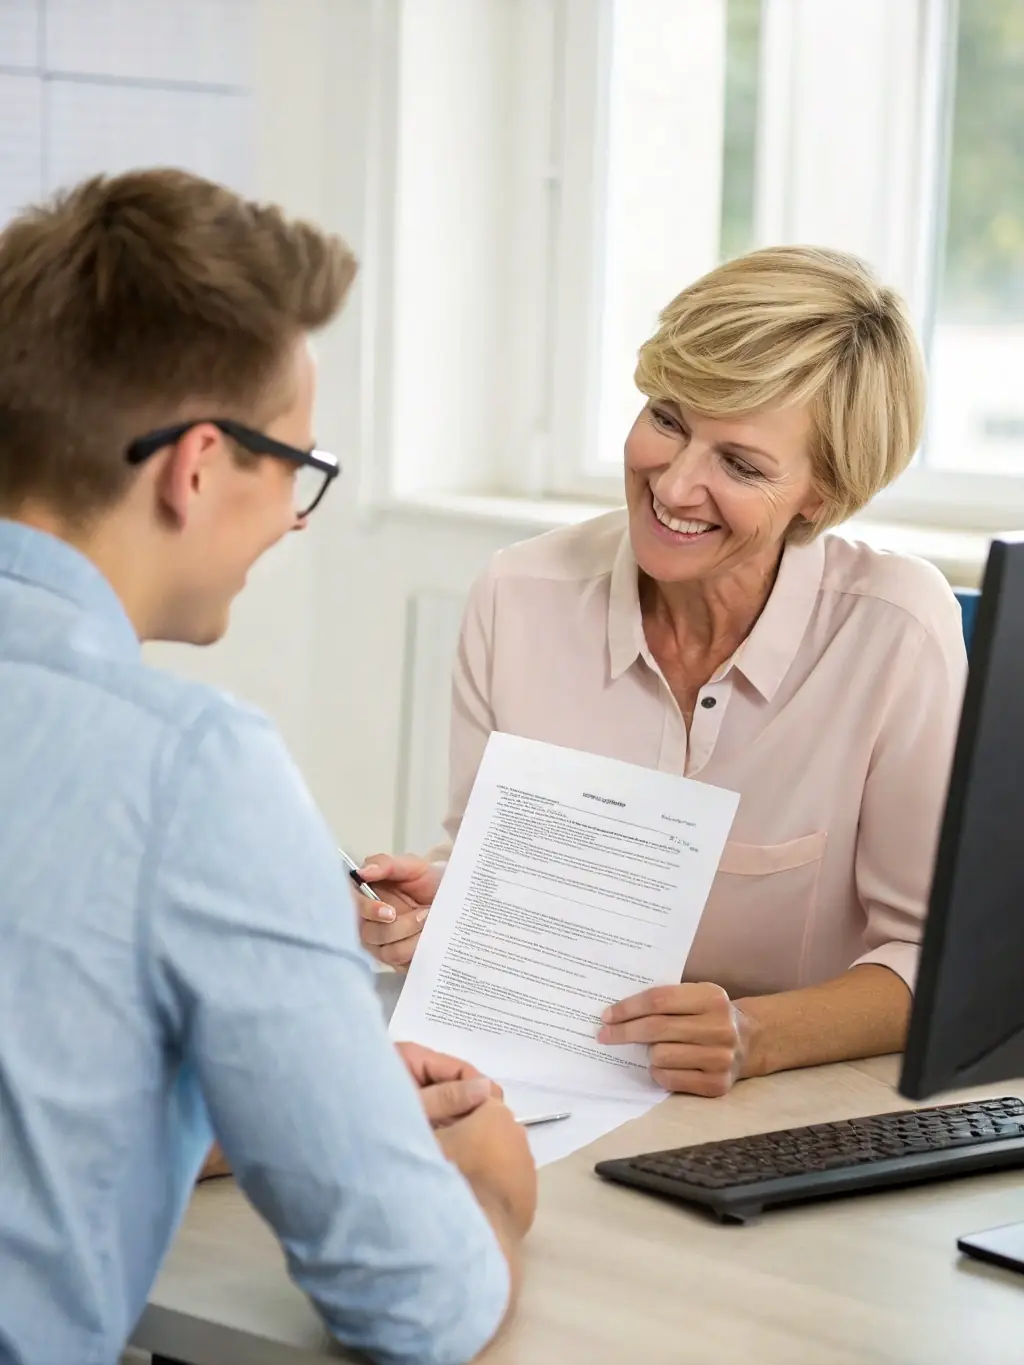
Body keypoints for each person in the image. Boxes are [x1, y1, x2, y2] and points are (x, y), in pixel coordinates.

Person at [0, 169, 535, 1365]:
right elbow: (417, 1305)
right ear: (197, 467)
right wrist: (487, 1185)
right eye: (296, 469)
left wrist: (285, 1098)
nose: (294, 519)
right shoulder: (189, 771)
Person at [357, 246, 967, 1100]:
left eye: (741, 464)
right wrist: (442, 916)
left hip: (790, 1110)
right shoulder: (519, 595)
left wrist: (755, 1033)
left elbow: (932, 960)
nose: (675, 485)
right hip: (552, 1092)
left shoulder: (898, 630)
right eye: (669, 418)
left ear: (821, 494)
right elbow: (495, 873)